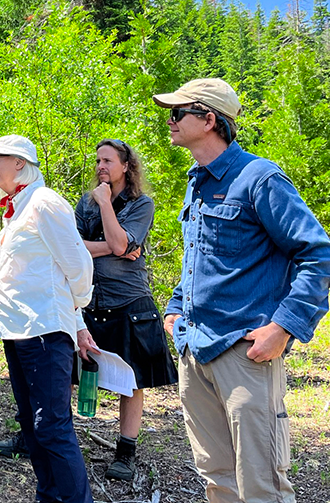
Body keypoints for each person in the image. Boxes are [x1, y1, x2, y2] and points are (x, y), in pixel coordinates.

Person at [153, 78, 330, 503]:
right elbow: (199, 258)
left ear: (209, 119)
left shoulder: (260, 178)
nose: (170, 121)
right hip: (195, 350)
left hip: (245, 352)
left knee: (261, 483)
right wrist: (175, 309)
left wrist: (283, 328)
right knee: (217, 477)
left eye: (178, 113)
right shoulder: (196, 182)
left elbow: (318, 255)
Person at [0, 134, 96, 503]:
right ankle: (47, 497)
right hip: (19, 331)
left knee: (52, 426)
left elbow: (78, 266)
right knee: (33, 428)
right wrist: (77, 323)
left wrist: (72, 315)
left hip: (45, 331)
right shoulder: (17, 207)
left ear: (19, 162)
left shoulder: (45, 203)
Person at [73, 139, 178, 481]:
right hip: (89, 301)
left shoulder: (140, 204)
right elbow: (73, 249)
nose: (100, 166)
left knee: (132, 382)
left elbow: (121, 243)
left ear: (126, 166)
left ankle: (125, 453)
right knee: (65, 371)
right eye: (98, 160)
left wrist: (106, 205)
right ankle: (40, 436)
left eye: (108, 161)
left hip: (130, 303)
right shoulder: (84, 205)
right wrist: (113, 247)